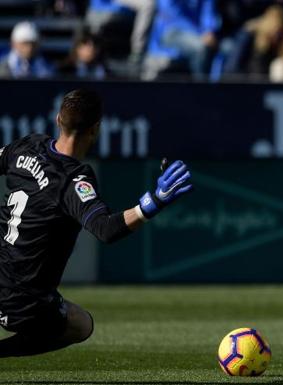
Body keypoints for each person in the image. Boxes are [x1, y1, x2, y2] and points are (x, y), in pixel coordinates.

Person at [0, 89, 192, 357]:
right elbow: (106, 229)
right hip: (21, 298)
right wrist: (153, 203)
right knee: (82, 325)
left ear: (58, 119)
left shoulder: (28, 146)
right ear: (96, 129)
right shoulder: (74, 180)